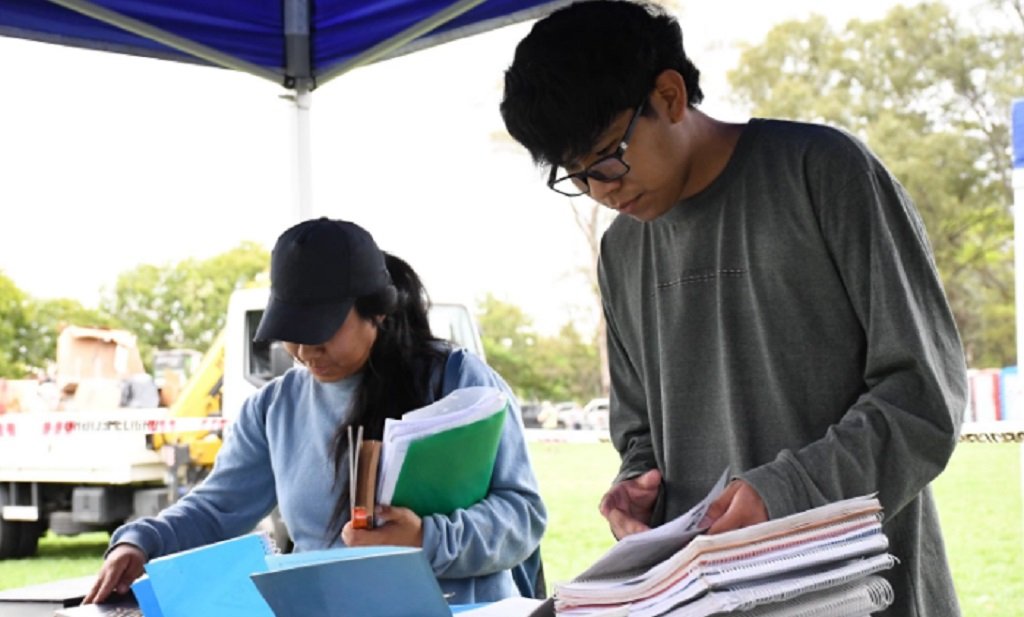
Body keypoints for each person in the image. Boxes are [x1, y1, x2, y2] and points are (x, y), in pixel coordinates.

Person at [499, 2, 967, 615]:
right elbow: (640, 431)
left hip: (864, 594)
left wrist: (785, 493)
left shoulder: (822, 173)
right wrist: (634, 489)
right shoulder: (621, 252)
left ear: (668, 95)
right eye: (578, 177)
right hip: (704, 598)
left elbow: (924, 396)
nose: (602, 190)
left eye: (608, 157)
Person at [84, 217, 547, 605]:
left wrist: (427, 538)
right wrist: (140, 541)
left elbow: (522, 515)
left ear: (377, 312)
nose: (305, 351)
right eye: (291, 331)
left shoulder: (458, 382)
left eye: (321, 331)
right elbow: (216, 509)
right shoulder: (273, 408)